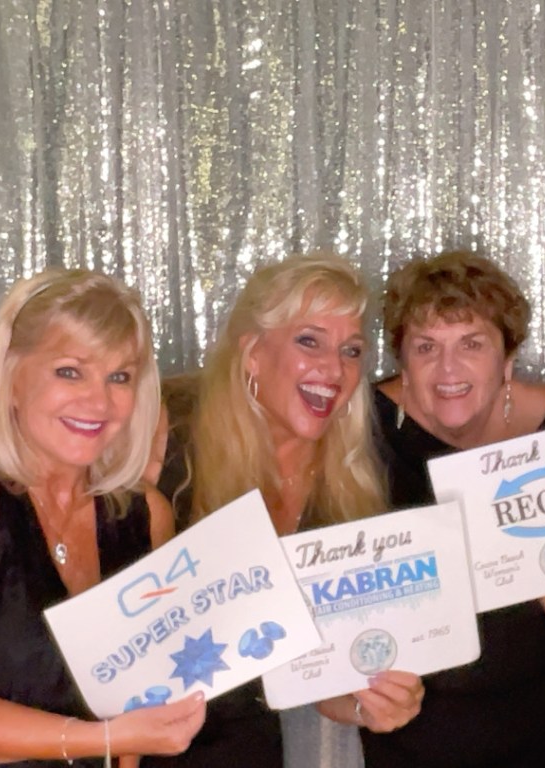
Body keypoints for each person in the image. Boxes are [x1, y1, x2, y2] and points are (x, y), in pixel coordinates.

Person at [0, 269, 206, 767]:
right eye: (70, 371)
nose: (99, 401)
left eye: (119, 377)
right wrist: (98, 739)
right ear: (11, 379)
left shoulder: (146, 514)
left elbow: (140, 711)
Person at [145, 253, 424, 768]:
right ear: (252, 353)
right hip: (152, 747)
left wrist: (368, 705)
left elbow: (310, 676)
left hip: (266, 748)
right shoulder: (166, 439)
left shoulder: (356, 486)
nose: (334, 369)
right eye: (309, 341)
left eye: (351, 350)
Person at [362, 250, 545, 768]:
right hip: (409, 741)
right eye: (426, 347)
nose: (448, 367)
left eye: (472, 343)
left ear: (508, 358)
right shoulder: (359, 435)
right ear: (403, 362)